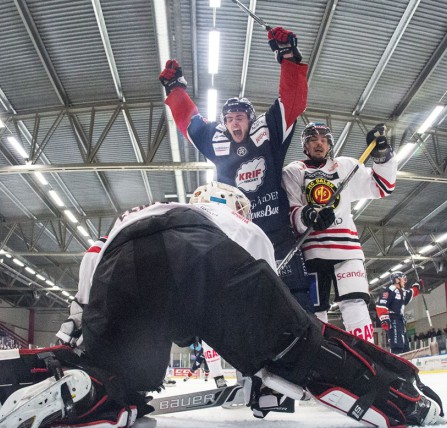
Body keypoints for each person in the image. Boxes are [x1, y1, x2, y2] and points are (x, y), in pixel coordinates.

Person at [0, 183, 445, 428]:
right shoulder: (234, 220)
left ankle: (83, 387)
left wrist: (78, 343)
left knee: (123, 379)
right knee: (303, 348)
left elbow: (89, 270)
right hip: (201, 253)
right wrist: (263, 373)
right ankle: (400, 397)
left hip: (121, 262)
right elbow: (269, 316)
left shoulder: (141, 211)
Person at [159, 26, 312, 311]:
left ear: (250, 119)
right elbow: (190, 124)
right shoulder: (217, 141)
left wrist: (289, 56)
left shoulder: (268, 131)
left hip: (277, 234)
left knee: (297, 305)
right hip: (238, 237)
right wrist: (175, 89)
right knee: (246, 309)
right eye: (229, 119)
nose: (234, 124)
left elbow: (292, 102)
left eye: (239, 117)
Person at [282, 122, 398, 341]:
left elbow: (383, 186)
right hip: (312, 254)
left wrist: (382, 155)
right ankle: (319, 360)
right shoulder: (293, 171)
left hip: (347, 250)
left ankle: (365, 356)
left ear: (330, 145)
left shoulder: (345, 166)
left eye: (324, 140)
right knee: (315, 312)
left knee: (354, 302)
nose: (319, 144)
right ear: (305, 145)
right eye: (313, 140)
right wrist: (309, 216)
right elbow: (292, 211)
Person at [376, 271, 423, 354]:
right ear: (397, 280)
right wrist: (384, 319)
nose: (405, 281)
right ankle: (396, 364)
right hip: (393, 320)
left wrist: (418, 286)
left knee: (405, 347)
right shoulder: (389, 290)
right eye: (403, 279)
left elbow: (410, 293)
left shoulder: (402, 292)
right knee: (397, 346)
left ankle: (406, 363)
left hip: (401, 321)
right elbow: (381, 304)